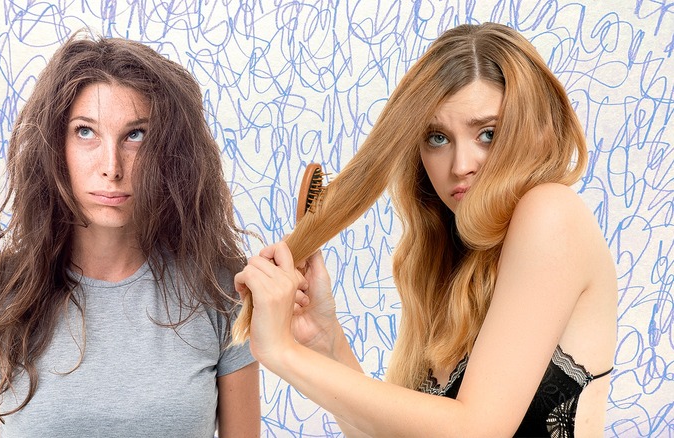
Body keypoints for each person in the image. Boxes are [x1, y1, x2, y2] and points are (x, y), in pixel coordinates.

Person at [233, 23, 617, 437]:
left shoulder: (552, 213)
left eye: (488, 133)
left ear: (534, 131)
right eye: (437, 138)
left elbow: (476, 430)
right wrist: (324, 342)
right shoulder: (449, 266)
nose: (460, 164)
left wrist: (282, 353)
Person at [0, 31, 260, 437]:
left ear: (169, 150)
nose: (112, 166)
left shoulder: (218, 291)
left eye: (136, 135)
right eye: (85, 132)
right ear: (55, 145)